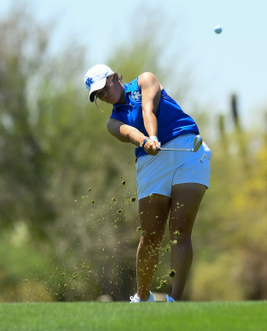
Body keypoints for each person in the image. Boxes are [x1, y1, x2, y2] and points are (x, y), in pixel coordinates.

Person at [84, 64, 211, 303]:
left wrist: (153, 136)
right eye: (99, 95)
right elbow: (129, 132)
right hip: (151, 161)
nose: (105, 95)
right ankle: (142, 298)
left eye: (104, 87)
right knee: (150, 235)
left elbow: (148, 110)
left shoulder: (145, 79)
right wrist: (145, 142)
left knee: (179, 230)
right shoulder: (112, 121)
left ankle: (176, 300)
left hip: (187, 150)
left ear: (114, 77)